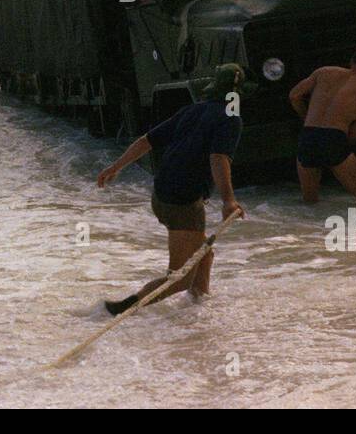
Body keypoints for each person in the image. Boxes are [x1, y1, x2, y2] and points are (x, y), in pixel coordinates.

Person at [96, 64, 246, 316]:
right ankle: (123, 309)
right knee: (179, 278)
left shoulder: (192, 110)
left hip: (161, 195)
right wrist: (229, 201)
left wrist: (116, 166)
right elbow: (219, 158)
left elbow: (147, 140)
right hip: (183, 202)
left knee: (204, 254)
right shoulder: (231, 118)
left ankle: (197, 310)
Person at [288, 46, 356, 206]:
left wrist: (306, 118)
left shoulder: (323, 72)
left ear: (351, 61)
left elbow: (294, 95)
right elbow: (353, 134)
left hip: (308, 137)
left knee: (310, 203)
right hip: (334, 138)